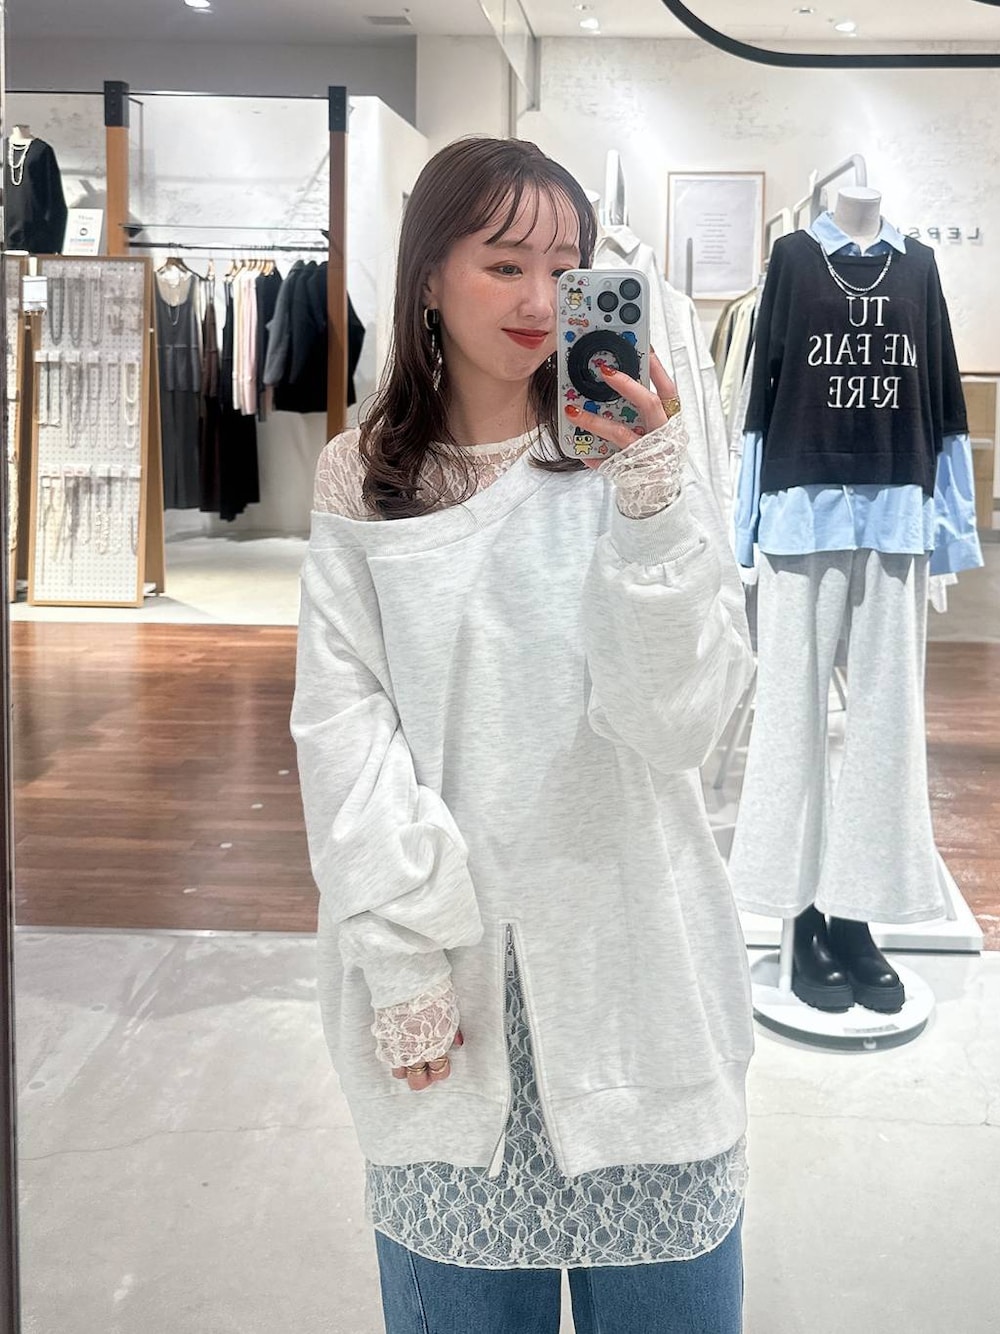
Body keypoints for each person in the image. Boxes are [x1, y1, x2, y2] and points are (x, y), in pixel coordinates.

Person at [291, 137, 755, 1334]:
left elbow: (679, 725)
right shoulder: (359, 476)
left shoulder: (634, 457)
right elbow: (343, 730)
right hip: (449, 997)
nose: (543, 301)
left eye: (566, 267)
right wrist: (398, 959)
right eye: (504, 264)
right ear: (428, 276)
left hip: (637, 967)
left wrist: (653, 508)